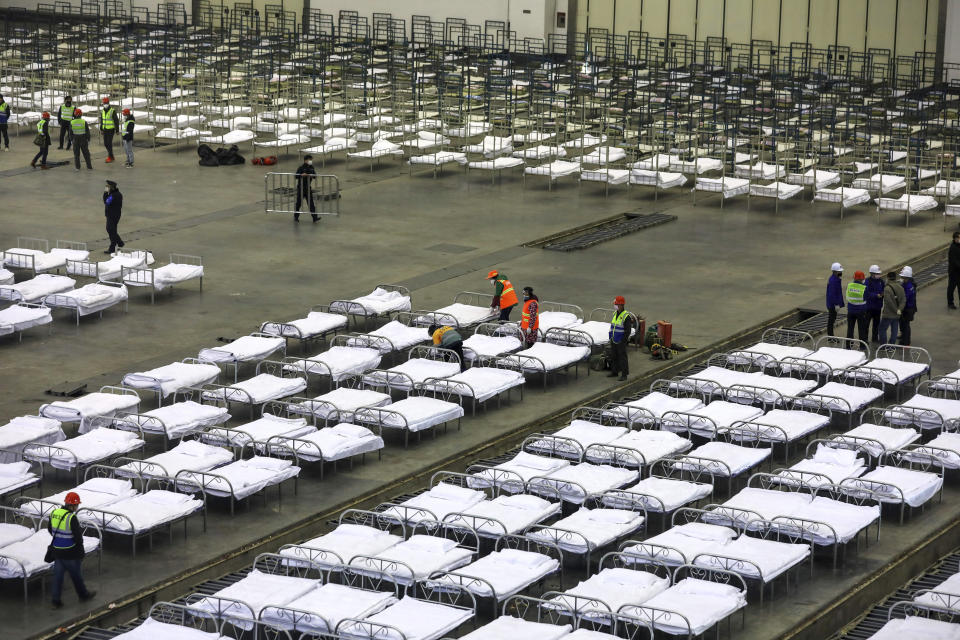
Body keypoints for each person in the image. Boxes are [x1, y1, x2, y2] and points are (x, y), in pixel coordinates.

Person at [48, 492, 95, 609]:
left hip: (57, 551)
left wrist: (59, 537)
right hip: (70, 552)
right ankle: (83, 595)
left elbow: (50, 529)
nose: (77, 507)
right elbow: (78, 537)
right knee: (76, 576)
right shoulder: (71, 517)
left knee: (58, 576)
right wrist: (80, 550)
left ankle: (55, 601)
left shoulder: (54, 513)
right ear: (73, 506)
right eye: (77, 505)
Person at [608, 296, 634, 381]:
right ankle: (614, 372)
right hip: (614, 339)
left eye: (616, 304)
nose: (615, 306)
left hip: (621, 340)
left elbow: (628, 331)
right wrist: (610, 336)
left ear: (621, 305)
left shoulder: (626, 316)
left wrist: (623, 341)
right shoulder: (615, 313)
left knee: (622, 357)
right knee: (614, 356)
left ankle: (624, 374)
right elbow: (613, 326)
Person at [879, 271, 906, 345]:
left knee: (882, 329)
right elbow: (904, 299)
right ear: (895, 278)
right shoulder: (901, 287)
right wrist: (899, 309)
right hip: (897, 314)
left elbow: (888, 301)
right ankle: (892, 346)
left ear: (888, 278)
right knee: (894, 330)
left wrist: (895, 310)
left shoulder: (887, 288)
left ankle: (883, 346)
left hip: (888, 314)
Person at [845, 270, 868, 348]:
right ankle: (862, 346)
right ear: (861, 279)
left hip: (851, 310)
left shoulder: (849, 285)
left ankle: (848, 345)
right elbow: (866, 298)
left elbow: (847, 296)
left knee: (850, 329)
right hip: (861, 311)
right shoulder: (864, 288)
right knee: (861, 329)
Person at [294, 155, 319, 222]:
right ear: (305, 160)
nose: (310, 161)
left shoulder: (312, 168)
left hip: (308, 188)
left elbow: (315, 176)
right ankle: (296, 217)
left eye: (311, 160)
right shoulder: (301, 168)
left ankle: (315, 217)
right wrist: (301, 175)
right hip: (301, 188)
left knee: (311, 204)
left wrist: (310, 175)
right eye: (309, 160)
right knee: (298, 203)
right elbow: (296, 176)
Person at [103, 180, 125, 254]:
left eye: (108, 187)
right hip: (114, 214)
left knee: (110, 230)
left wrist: (105, 192)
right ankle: (120, 243)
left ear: (111, 187)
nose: (107, 188)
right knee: (112, 230)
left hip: (112, 215)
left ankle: (112, 247)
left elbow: (106, 202)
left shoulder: (114, 195)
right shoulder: (115, 194)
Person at [865, 265, 884, 342]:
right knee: (866, 325)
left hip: (878, 307)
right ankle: (865, 339)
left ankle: (875, 338)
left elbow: (884, 289)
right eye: (877, 273)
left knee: (876, 324)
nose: (878, 275)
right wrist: (876, 295)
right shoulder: (867, 281)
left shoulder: (881, 281)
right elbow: (866, 293)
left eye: (879, 273)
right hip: (869, 307)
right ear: (871, 273)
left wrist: (883, 294)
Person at [899, 266, 917, 346]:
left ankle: (906, 342)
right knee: (903, 325)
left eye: (902, 277)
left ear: (906, 277)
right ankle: (904, 338)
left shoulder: (908, 286)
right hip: (907, 308)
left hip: (907, 309)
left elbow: (905, 297)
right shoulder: (906, 284)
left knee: (906, 326)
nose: (901, 278)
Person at [826, 262, 844, 337]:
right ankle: (830, 337)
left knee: (832, 320)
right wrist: (836, 304)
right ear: (835, 271)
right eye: (839, 271)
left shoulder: (836, 279)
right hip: (832, 304)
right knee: (831, 320)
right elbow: (832, 294)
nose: (841, 272)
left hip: (832, 304)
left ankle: (831, 336)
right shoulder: (833, 281)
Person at [99, 97, 119, 163]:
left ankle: (110, 157)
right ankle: (111, 156)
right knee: (105, 144)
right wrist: (101, 129)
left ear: (108, 103)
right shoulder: (102, 111)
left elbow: (116, 121)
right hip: (105, 129)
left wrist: (117, 130)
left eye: (106, 103)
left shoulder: (112, 111)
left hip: (111, 129)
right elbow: (102, 120)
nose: (105, 104)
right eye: (104, 103)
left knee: (109, 143)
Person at [948, 232, 960, 310]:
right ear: (955, 238)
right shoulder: (952, 248)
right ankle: (950, 303)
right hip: (954, 272)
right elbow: (954, 261)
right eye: (958, 238)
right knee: (951, 288)